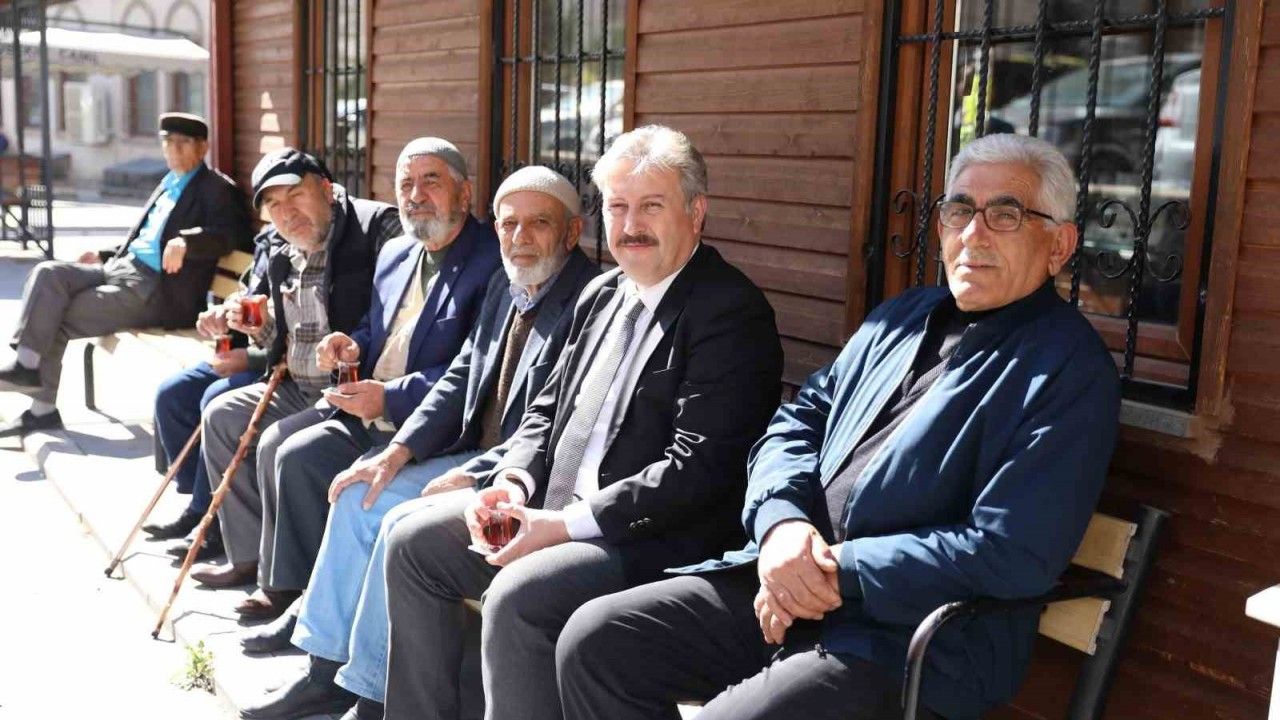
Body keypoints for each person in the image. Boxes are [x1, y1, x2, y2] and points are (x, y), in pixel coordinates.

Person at [555, 133, 1122, 720]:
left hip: (907, 642)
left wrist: (832, 569)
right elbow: (795, 422)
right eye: (959, 211)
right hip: (784, 585)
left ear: (1059, 245)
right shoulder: (902, 318)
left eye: (1005, 215)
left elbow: (1009, 551)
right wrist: (781, 525)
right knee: (598, 643)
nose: (973, 233)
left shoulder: (1066, 370)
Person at [379, 125, 784, 720]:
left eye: (651, 206)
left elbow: (698, 470)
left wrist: (564, 526)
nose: (630, 225)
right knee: (414, 545)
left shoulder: (729, 312)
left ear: (696, 213)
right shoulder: (602, 293)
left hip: (647, 538)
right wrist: (512, 482)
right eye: (617, 207)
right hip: (552, 508)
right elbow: (545, 410)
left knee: (519, 597)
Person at [236, 166, 600, 720]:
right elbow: (461, 374)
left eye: (539, 224)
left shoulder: (586, 300)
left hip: (520, 473)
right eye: (509, 225)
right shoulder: (510, 284)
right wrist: (396, 451)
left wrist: (478, 472)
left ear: (572, 232)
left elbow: (547, 428)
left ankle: (372, 693)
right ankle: (323, 671)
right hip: (469, 449)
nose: (520, 238)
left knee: (394, 521)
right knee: (361, 492)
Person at [228, 137, 502, 621]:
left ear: (464, 193)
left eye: (431, 182)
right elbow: (374, 328)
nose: (416, 195)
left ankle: (306, 606)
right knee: (288, 450)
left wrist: (390, 397)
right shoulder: (397, 252)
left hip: (429, 426)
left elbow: (474, 368)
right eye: (406, 184)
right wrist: (351, 345)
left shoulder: (490, 262)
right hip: (367, 404)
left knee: (307, 461)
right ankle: (294, 593)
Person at [187, 148, 401, 592]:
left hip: (348, 391)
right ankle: (246, 556)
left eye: (296, 196)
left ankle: (283, 585)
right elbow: (278, 340)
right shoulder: (279, 248)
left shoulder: (375, 229)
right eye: (274, 205)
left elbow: (401, 314)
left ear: (326, 188)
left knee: (276, 443)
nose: (287, 213)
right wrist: (260, 327)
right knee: (221, 416)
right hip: (292, 384)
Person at [0, 112, 251, 437]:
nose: (173, 149)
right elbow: (149, 238)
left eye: (183, 143)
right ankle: (26, 365)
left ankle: (42, 410)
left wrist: (188, 242)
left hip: (158, 289)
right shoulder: (169, 182)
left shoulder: (216, 188)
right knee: (49, 273)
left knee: (54, 314)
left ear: (203, 147)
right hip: (121, 268)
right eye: (168, 142)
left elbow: (230, 235)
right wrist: (104, 254)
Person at [141, 228, 281, 560]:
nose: (282, 213)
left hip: (272, 362)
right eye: (273, 205)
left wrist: (252, 358)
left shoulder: (315, 246)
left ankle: (214, 519)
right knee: (172, 395)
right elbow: (248, 294)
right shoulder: (271, 239)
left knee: (216, 400)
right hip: (245, 349)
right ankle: (200, 505)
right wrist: (224, 314)